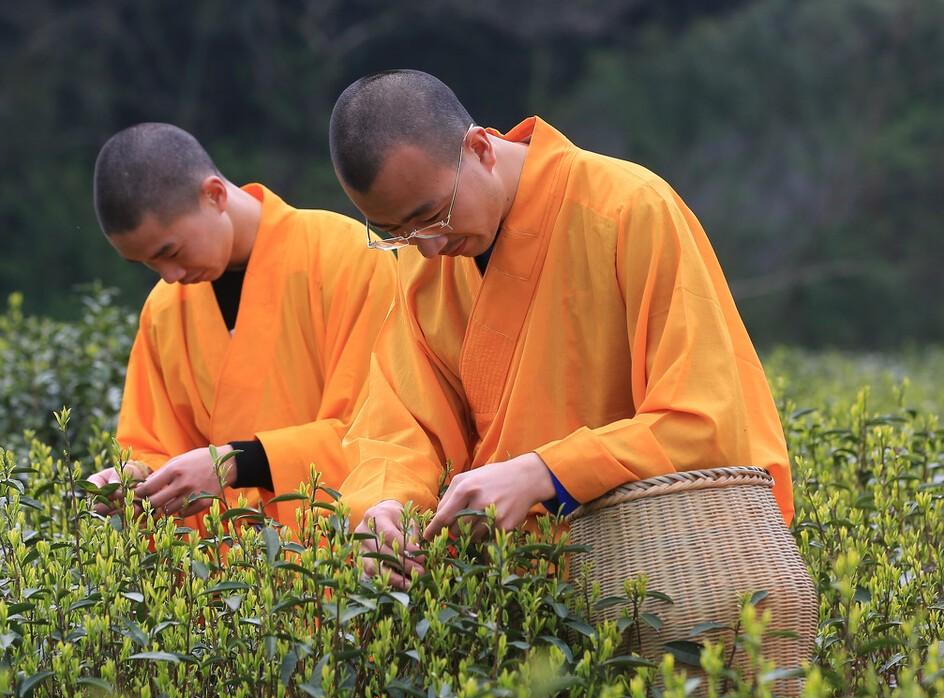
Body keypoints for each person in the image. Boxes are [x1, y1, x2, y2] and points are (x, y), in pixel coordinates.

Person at [327, 70, 793, 587]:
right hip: (507, 594)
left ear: (480, 148)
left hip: (654, 575)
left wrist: (545, 473)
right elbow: (399, 423)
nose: (429, 246)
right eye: (398, 234)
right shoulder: (422, 264)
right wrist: (385, 502)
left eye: (434, 215)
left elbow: (705, 422)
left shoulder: (628, 209)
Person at [86, 122, 397, 532]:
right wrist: (135, 477)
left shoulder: (346, 257)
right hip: (220, 579)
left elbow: (382, 432)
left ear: (214, 195)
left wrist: (237, 462)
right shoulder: (164, 308)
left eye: (171, 251)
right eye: (148, 263)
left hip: (332, 559)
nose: (170, 274)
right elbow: (154, 442)